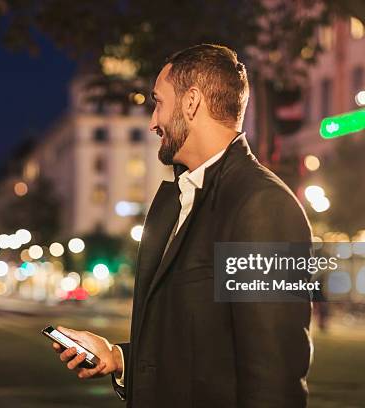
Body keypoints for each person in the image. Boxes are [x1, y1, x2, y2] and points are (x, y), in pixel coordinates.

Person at [52, 44, 313, 407]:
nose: (152, 122)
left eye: (158, 102)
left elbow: (275, 380)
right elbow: (199, 346)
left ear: (190, 103)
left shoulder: (265, 206)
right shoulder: (180, 198)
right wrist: (117, 357)